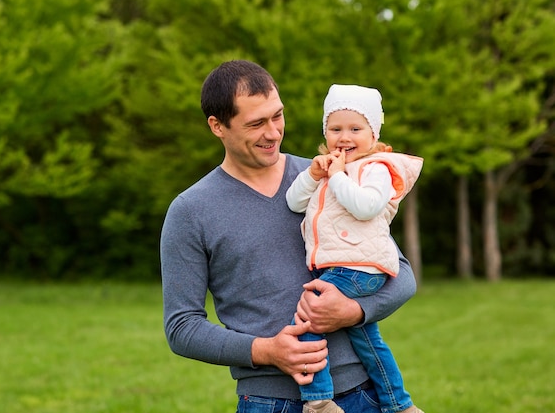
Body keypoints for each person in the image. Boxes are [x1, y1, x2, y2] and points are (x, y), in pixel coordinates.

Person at [161, 60, 417, 413]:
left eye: (277, 116)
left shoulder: (329, 177)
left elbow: (401, 275)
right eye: (256, 124)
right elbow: (182, 326)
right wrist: (265, 351)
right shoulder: (191, 210)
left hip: (364, 395)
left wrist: (354, 311)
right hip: (268, 401)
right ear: (217, 126)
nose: (273, 133)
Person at [286, 84, 424, 413]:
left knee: (308, 315)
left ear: (373, 134)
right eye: (335, 129)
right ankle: (399, 404)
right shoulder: (331, 170)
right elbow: (294, 202)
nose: (344, 137)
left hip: (359, 268)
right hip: (343, 266)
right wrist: (312, 174)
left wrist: (335, 177)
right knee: (368, 341)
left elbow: (367, 206)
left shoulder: (376, 167)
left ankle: (317, 401)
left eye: (355, 129)